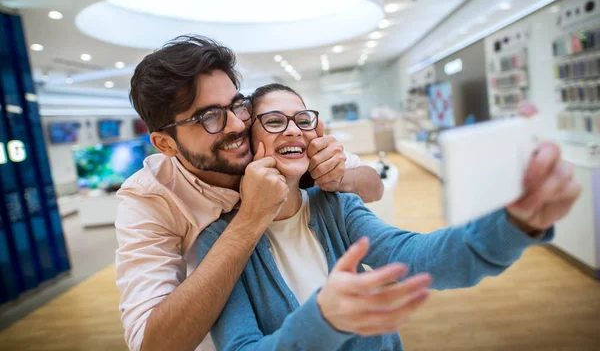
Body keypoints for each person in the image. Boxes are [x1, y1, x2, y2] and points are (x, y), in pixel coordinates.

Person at [196, 83, 581, 351]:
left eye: (303, 119)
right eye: (276, 121)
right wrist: (325, 318)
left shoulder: (336, 207)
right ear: (249, 139)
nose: (293, 130)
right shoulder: (218, 239)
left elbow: (419, 256)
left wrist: (515, 222)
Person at [115, 36, 384, 351]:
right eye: (208, 117)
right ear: (166, 144)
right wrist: (252, 217)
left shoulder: (262, 137)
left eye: (235, 105)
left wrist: (338, 177)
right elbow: (152, 344)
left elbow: (373, 185)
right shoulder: (149, 197)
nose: (235, 125)